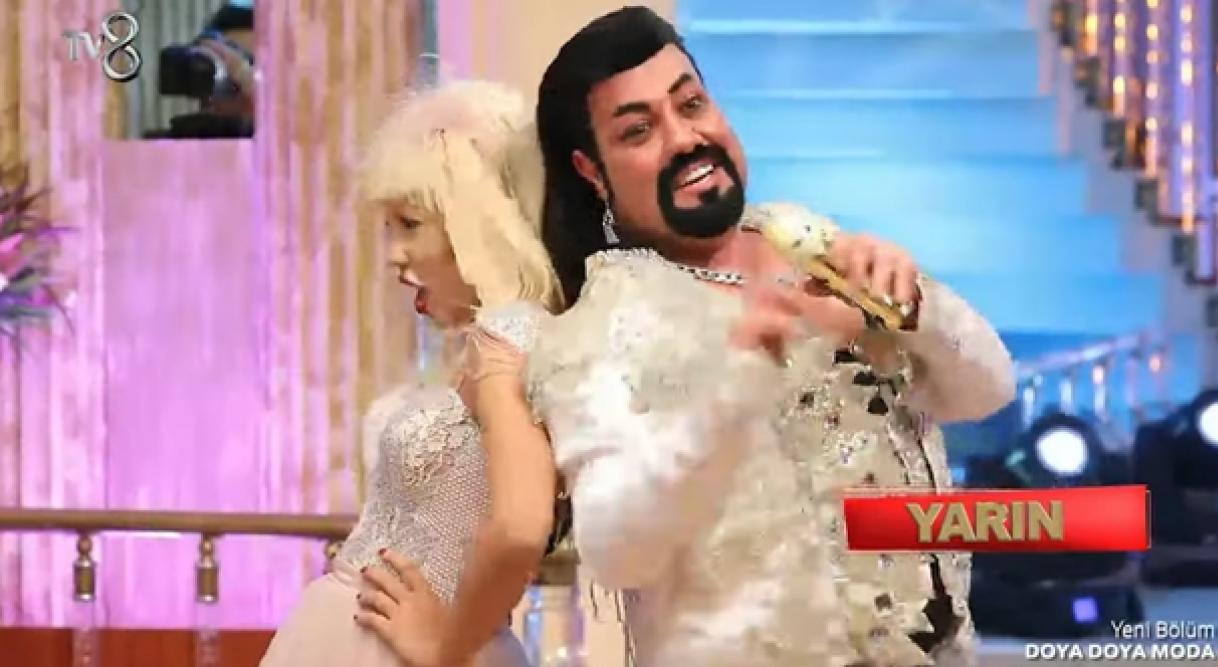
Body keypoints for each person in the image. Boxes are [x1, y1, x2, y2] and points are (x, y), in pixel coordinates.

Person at [522, 7, 1016, 667]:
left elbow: (990, 389)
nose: (684, 139)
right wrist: (733, 393)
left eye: (691, 104)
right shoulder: (606, 324)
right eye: (639, 130)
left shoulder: (809, 243)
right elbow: (616, 548)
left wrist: (916, 307)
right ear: (592, 171)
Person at [258, 80, 562, 667]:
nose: (394, 254)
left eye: (410, 223)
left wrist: (443, 648)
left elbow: (522, 528)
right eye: (389, 227)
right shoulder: (496, 340)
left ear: (476, 224)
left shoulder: (511, 334)